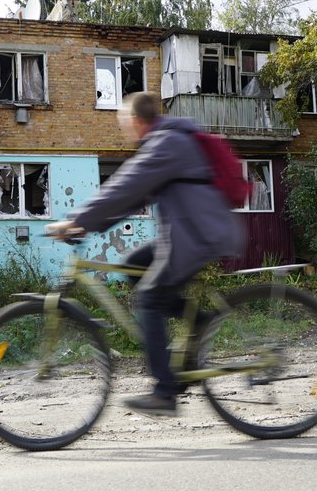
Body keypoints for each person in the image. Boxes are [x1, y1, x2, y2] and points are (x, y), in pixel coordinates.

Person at [46, 91, 244, 416]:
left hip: (199, 235)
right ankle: (200, 325)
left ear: (136, 120)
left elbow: (126, 184)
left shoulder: (166, 143)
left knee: (149, 298)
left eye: (124, 122)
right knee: (133, 266)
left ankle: (164, 393)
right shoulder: (167, 143)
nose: (124, 128)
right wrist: (87, 225)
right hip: (192, 232)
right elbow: (133, 198)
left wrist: (77, 220)